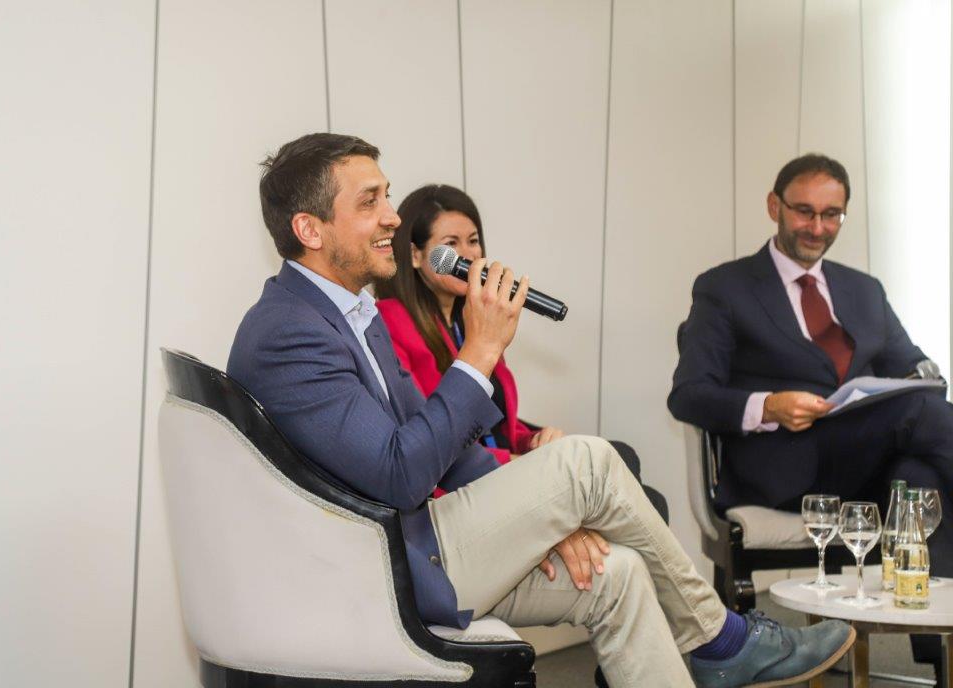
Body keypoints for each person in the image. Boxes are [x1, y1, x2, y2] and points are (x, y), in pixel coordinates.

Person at [227, 133, 854, 687]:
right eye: (370, 202)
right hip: (378, 572)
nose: (392, 215)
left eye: (387, 195)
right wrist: (479, 353)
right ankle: (721, 641)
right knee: (586, 461)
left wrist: (547, 516)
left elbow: (447, 450)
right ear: (310, 230)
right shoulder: (288, 331)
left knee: (619, 574)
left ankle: (713, 649)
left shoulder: (351, 314)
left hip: (414, 546)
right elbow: (400, 474)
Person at [668, 153, 953, 669]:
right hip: (786, 465)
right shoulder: (725, 287)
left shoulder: (864, 290)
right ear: (774, 206)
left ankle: (942, 658)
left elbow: (917, 369)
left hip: (863, 463)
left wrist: (919, 376)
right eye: (804, 211)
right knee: (922, 413)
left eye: (831, 215)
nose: (817, 228)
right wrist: (768, 406)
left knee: (919, 478)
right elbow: (688, 394)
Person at [372, 183, 668, 520]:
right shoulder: (392, 320)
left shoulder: (475, 319)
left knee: (626, 463)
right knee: (632, 484)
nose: (468, 255)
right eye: (451, 244)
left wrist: (534, 441)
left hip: (503, 468)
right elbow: (430, 430)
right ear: (415, 255)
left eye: (473, 241)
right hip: (461, 489)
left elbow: (497, 425)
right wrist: (519, 462)